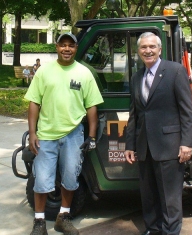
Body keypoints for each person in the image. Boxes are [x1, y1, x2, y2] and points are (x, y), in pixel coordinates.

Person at [25, 32, 103, 235]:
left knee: (70, 178)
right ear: (56, 47)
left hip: (73, 135)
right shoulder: (44, 72)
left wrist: (92, 136)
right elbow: (34, 102)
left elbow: (92, 106)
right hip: (46, 135)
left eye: (70, 45)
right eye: (63, 45)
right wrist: (32, 133)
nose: (66, 49)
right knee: (41, 180)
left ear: (76, 48)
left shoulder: (84, 73)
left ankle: (63, 217)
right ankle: (40, 223)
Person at [124, 32, 192, 235]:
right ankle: (153, 229)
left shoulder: (175, 71)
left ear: (160, 49)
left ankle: (170, 231)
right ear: (138, 51)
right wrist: (130, 145)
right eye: (144, 47)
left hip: (169, 146)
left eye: (152, 47)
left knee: (169, 198)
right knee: (149, 196)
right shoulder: (137, 77)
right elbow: (134, 115)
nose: (148, 51)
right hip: (144, 148)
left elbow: (186, 111)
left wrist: (187, 143)